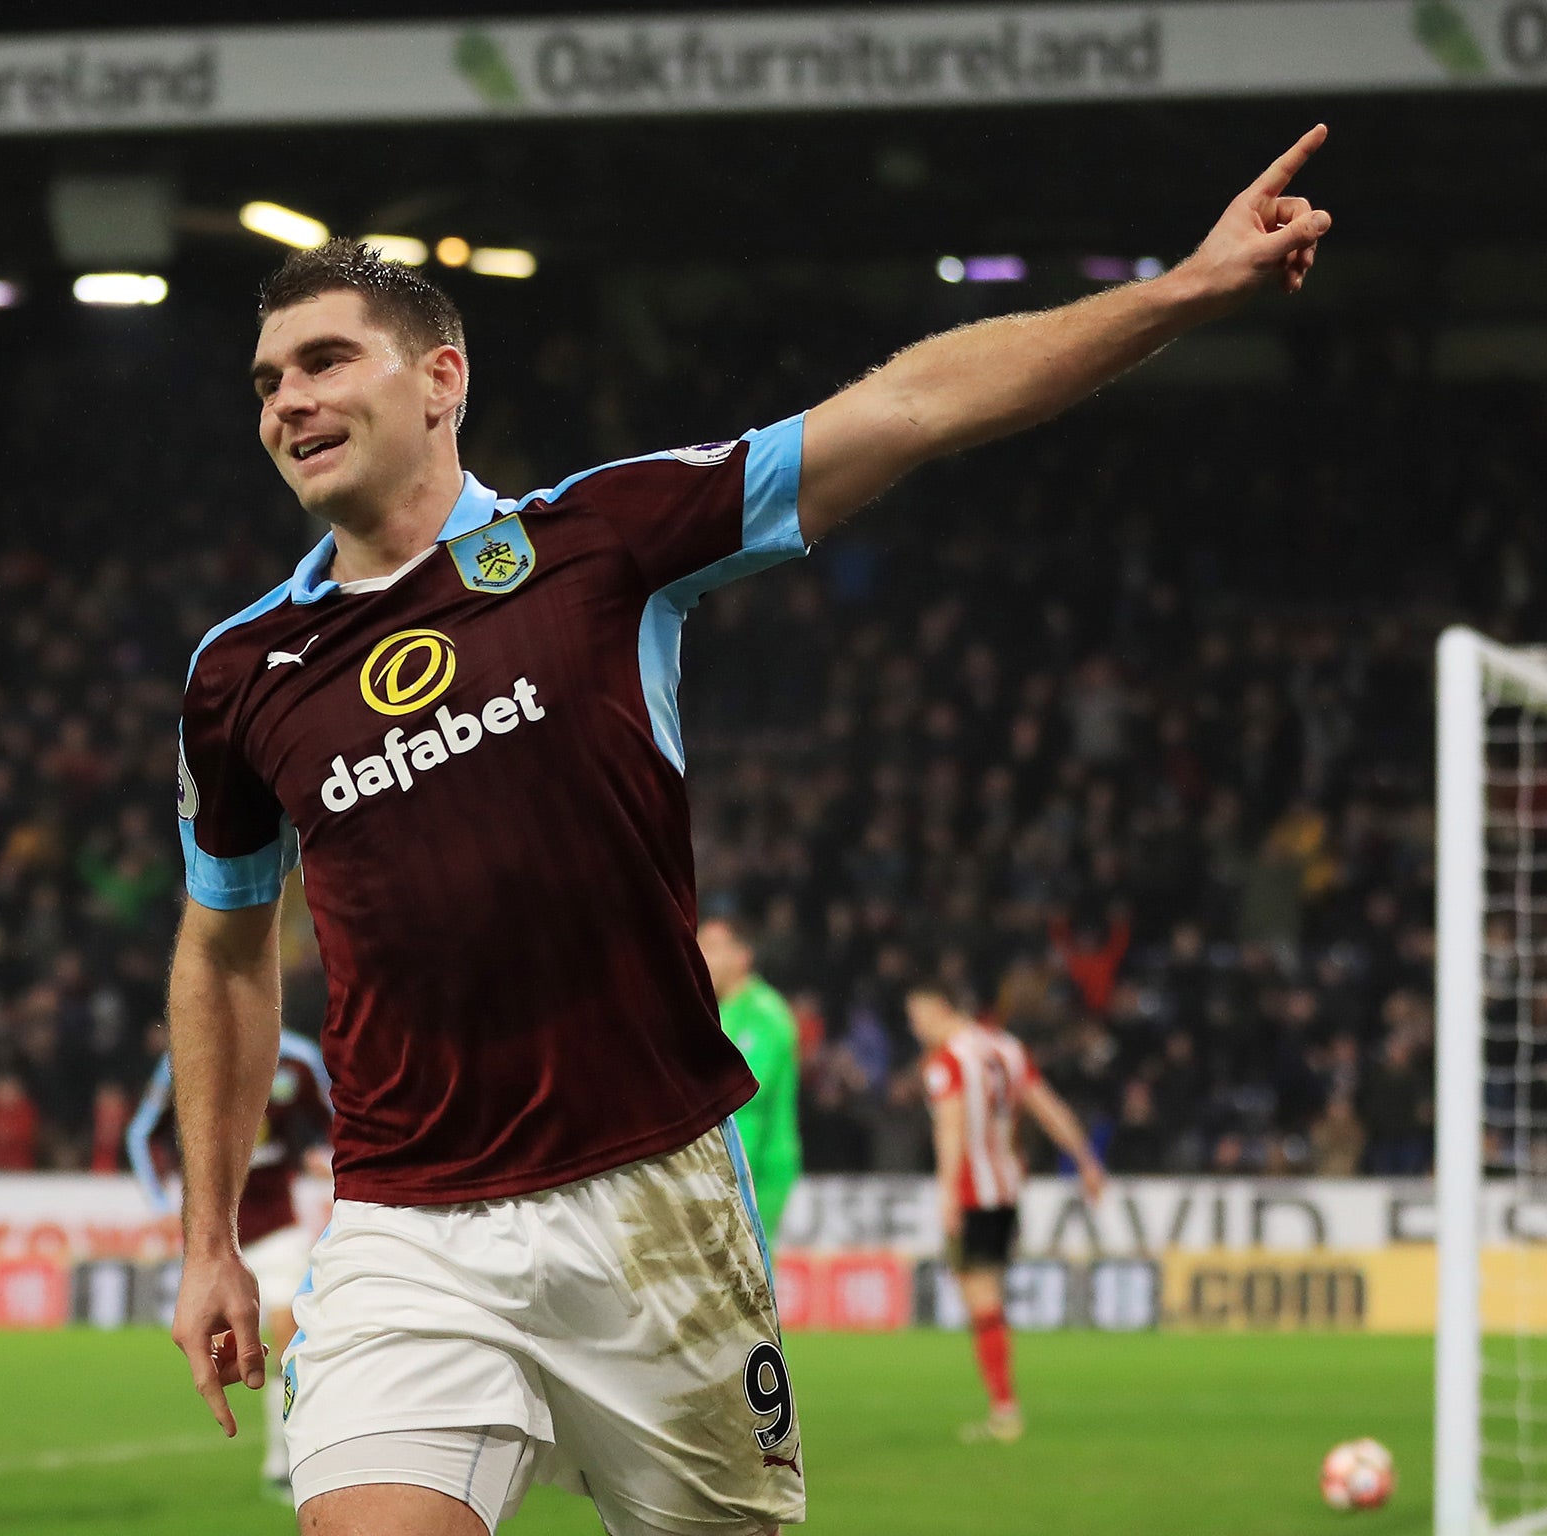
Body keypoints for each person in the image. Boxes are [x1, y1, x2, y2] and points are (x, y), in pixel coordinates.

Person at [168, 126, 1331, 1536]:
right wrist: (209, 1239)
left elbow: (908, 407)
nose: (288, 400)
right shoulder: (241, 675)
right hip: (405, 1222)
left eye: (326, 360)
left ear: (440, 379)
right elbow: (226, 949)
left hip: (652, 1203)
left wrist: (1181, 292)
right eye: (268, 381)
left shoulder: (601, 546)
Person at [131, 1033, 330, 1503]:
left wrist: (325, 1156)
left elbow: (335, 1121)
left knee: (286, 1342)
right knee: (226, 1354)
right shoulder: (186, 1057)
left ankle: (283, 1465)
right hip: (214, 1237)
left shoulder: (297, 1061)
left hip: (278, 1229)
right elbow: (142, 1133)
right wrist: (160, 1200)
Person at [907, 981, 1106, 1444]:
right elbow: (1047, 1108)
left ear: (941, 1010)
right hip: (1007, 1190)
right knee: (988, 1295)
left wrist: (948, 1196)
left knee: (981, 1299)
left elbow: (951, 1130)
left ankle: (1004, 1409)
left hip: (973, 1193)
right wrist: (1086, 1161)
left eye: (918, 1018)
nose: (917, 1030)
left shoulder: (947, 1062)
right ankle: (1004, 1407)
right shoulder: (1007, 1048)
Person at [697, 914, 803, 1247]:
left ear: (742, 956)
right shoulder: (708, 1008)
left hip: (757, 1167)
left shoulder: (766, 1013)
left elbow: (744, 1087)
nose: (699, 954)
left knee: (750, 1272)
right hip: (713, 1166)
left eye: (712, 947)